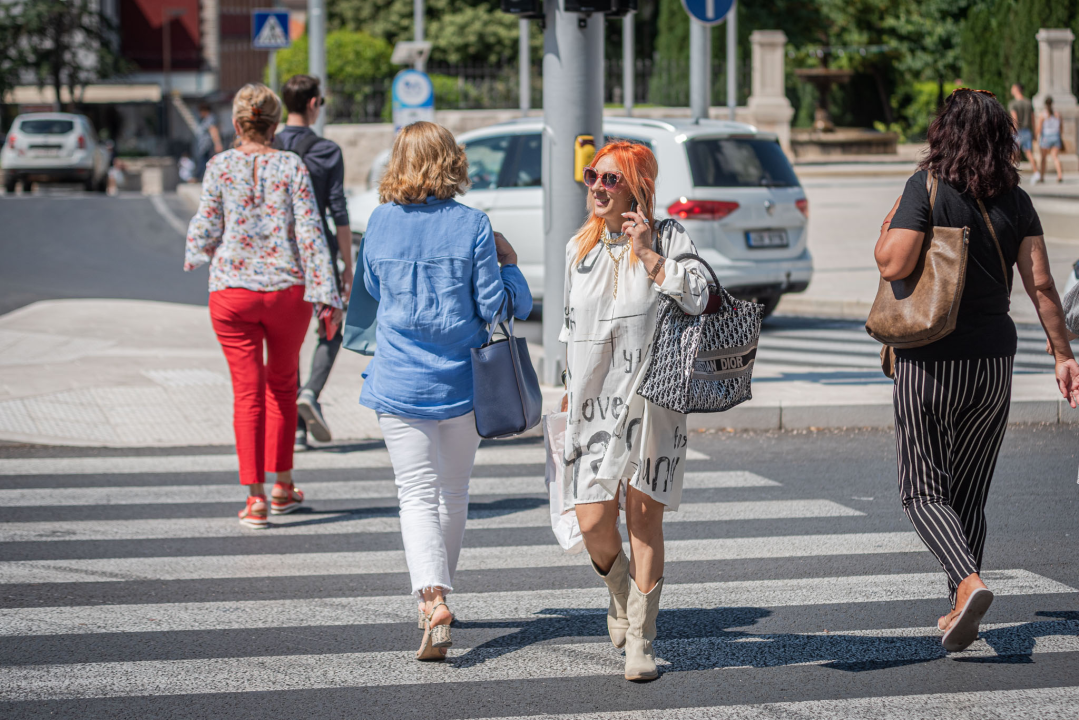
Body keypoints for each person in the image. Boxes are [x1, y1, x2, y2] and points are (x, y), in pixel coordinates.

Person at [873, 88, 1079, 653]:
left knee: (921, 489)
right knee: (967, 492)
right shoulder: (1016, 196)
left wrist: (888, 224)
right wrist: (1064, 355)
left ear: (944, 132)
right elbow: (1040, 285)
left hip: (929, 359)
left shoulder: (927, 187)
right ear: (1001, 137)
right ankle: (961, 607)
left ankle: (967, 584)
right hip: (992, 363)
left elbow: (893, 261)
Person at [361, 121, 531, 661]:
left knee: (414, 494)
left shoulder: (380, 221)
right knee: (452, 494)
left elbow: (370, 288)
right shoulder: (473, 225)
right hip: (462, 379)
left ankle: (431, 598)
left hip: (398, 379)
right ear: (450, 161)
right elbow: (497, 307)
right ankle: (438, 596)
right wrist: (512, 266)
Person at [561, 141, 710, 682]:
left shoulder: (670, 237)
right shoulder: (579, 248)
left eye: (609, 180)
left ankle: (641, 640)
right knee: (592, 519)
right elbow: (569, 329)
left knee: (643, 521)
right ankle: (620, 593)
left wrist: (648, 254)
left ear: (637, 188)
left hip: (652, 403)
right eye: (592, 177)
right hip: (592, 408)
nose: (597, 188)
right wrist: (567, 388)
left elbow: (699, 295)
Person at [184, 83, 342, 529]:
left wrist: (196, 252)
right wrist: (327, 296)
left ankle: (254, 498)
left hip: (232, 293)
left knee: (247, 393)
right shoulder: (291, 165)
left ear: (236, 125)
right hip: (286, 291)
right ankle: (282, 485)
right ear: (274, 127)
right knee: (283, 386)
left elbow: (205, 227)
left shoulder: (219, 166)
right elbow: (311, 232)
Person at [273, 74, 354, 450]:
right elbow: (338, 211)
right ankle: (309, 392)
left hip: (278, 256)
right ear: (312, 104)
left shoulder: (268, 146)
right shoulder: (326, 151)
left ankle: (295, 429)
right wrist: (347, 266)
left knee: (284, 339)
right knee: (330, 329)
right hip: (318, 254)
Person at [1008, 83, 1038, 181]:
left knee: (1013, 153)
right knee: (1029, 153)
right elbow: (1033, 119)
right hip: (1027, 131)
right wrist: (1034, 132)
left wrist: (1013, 132)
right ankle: (1036, 172)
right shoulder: (1028, 102)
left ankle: (1009, 173)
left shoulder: (1013, 103)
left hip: (1018, 130)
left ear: (1016, 89)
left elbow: (1014, 118)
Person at [1036, 96, 1065, 184]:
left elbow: (1039, 128)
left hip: (1046, 137)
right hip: (1055, 136)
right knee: (1055, 156)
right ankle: (1059, 175)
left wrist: (1037, 137)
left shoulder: (1043, 114)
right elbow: (1061, 127)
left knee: (1043, 158)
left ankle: (1042, 176)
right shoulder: (1057, 114)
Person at [194, 102, 224, 181]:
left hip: (208, 146)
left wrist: (218, 144)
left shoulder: (210, 118)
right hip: (204, 146)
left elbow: (214, 131)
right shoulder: (205, 119)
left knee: (207, 163)